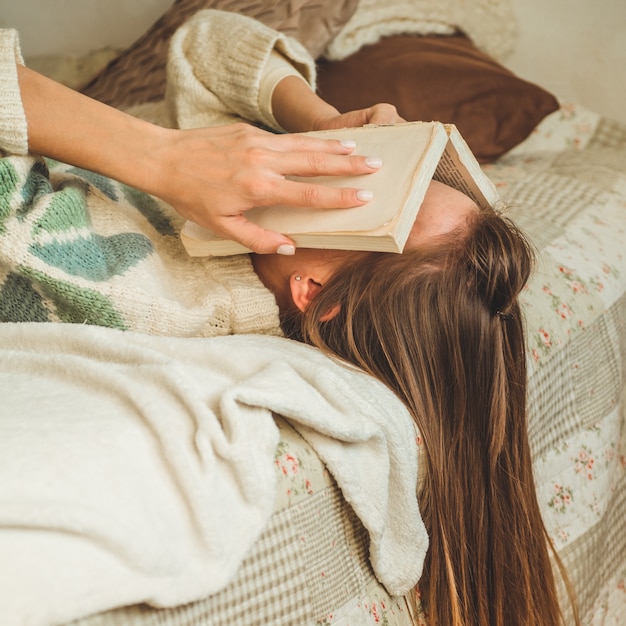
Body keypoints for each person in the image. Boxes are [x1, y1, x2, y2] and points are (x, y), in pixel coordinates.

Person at [0, 9, 577, 626]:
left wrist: (162, 159)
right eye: (403, 171)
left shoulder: (143, 290)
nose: (368, 169)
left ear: (315, 297)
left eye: (375, 199)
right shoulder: (268, 200)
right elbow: (204, 42)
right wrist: (321, 122)